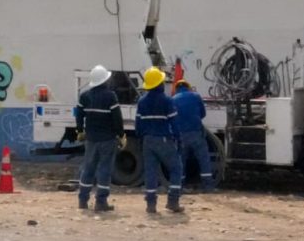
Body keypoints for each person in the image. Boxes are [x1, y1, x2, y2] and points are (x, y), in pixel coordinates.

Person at [74, 64, 125, 212]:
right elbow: (117, 118)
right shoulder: (110, 96)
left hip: (91, 139)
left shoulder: (84, 96)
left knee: (88, 168)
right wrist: (121, 135)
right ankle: (101, 202)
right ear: (104, 80)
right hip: (107, 139)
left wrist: (80, 130)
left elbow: (79, 115)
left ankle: (83, 200)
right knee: (104, 169)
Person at [135, 66, 184, 214]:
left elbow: (138, 124)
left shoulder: (141, 102)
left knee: (150, 172)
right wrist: (178, 139)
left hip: (147, 140)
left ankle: (151, 205)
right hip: (163, 139)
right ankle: (173, 201)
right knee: (176, 168)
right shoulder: (167, 101)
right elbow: (174, 123)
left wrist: (142, 138)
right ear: (159, 84)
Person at [173, 79, 216, 192]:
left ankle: (180, 186)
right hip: (196, 133)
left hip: (181, 135)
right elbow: (203, 113)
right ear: (188, 87)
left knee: (181, 160)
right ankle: (208, 186)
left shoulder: (173, 99)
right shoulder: (196, 96)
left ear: (176, 89)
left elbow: (172, 117)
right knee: (203, 159)